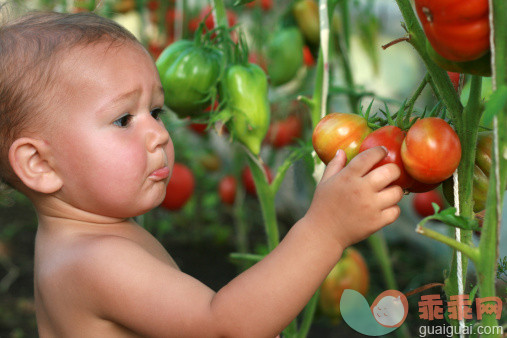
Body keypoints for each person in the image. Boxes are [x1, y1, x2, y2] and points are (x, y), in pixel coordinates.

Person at [0, 10, 403, 337]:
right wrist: (325, 230)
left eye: (156, 112)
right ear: (39, 164)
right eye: (124, 119)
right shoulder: (95, 260)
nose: (159, 134)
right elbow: (225, 327)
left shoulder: (83, 241)